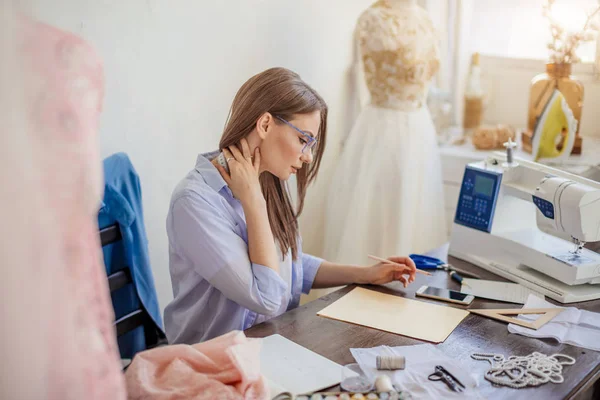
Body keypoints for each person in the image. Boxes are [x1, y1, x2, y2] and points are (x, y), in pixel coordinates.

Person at [164, 67, 417, 344]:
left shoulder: (266, 179)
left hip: (267, 347)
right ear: (265, 125)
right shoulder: (194, 203)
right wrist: (253, 202)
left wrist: (365, 274)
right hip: (208, 363)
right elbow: (268, 297)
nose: (307, 157)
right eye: (303, 140)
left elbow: (290, 265)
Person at [323, 0, 448, 267]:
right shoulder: (373, 18)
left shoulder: (425, 19)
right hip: (384, 130)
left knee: (415, 217)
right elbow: (354, 84)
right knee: (381, 218)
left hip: (420, 130)